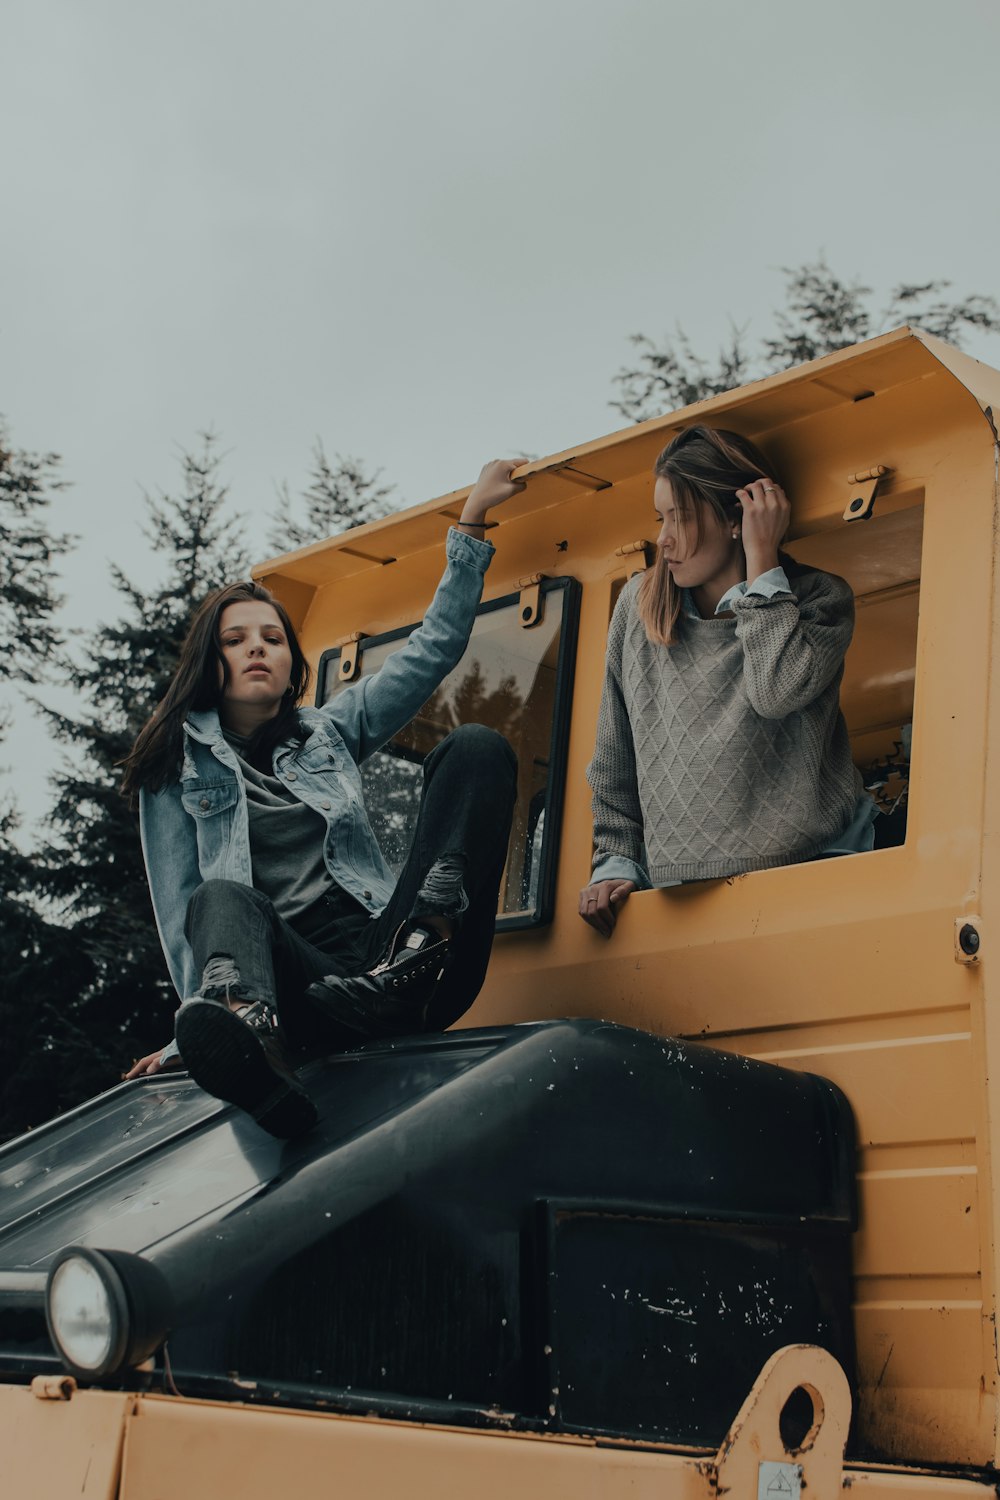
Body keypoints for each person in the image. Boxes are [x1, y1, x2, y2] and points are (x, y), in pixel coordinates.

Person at [122, 460, 524, 1136]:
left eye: (272, 639)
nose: (258, 650)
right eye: (237, 640)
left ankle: (417, 954)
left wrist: (471, 525)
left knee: (478, 747)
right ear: (209, 663)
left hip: (393, 959)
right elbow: (179, 913)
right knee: (217, 899)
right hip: (298, 989)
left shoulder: (327, 733)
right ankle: (254, 1041)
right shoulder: (175, 770)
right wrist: (186, 1037)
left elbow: (430, 652)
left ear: (290, 664)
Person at [580, 425, 874, 938]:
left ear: (738, 517)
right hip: (682, 894)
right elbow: (614, 752)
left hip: (814, 869)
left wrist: (762, 569)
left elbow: (776, 691)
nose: (663, 538)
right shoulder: (636, 606)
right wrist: (616, 860)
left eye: (682, 517)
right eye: (660, 517)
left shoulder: (822, 600)